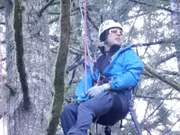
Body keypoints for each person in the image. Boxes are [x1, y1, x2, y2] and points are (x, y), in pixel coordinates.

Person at [60, 20, 144, 135]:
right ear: (105, 35)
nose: (118, 34)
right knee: (68, 110)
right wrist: (80, 97)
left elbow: (133, 76)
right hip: (101, 105)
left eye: (120, 32)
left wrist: (107, 86)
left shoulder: (127, 54)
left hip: (119, 100)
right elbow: (87, 80)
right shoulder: (98, 63)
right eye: (114, 31)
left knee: (85, 107)